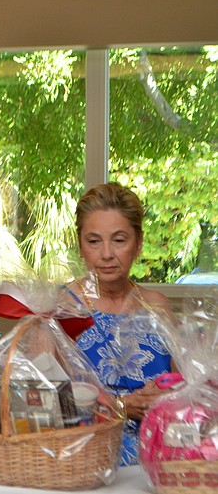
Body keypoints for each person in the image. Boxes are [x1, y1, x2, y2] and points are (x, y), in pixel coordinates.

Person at [68, 181, 174, 466]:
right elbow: (41, 399)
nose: (106, 254)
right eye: (94, 241)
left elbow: (187, 389)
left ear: (138, 243)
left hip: (160, 465)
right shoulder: (61, 308)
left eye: (119, 239)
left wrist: (168, 397)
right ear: (80, 245)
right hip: (86, 465)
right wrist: (121, 407)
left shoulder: (158, 306)